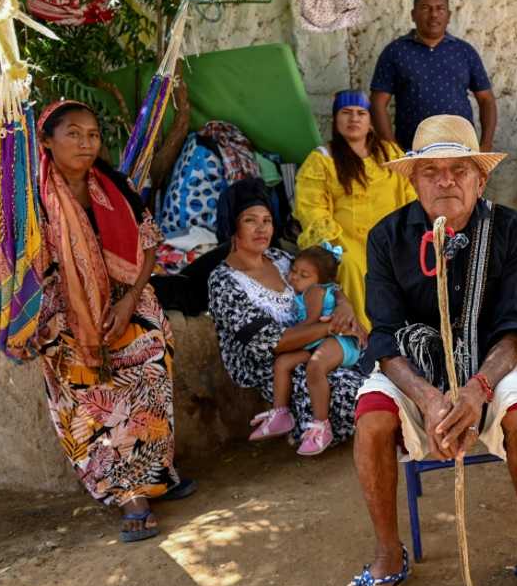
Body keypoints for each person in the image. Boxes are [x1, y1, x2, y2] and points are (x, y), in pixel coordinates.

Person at [342, 115, 517, 586]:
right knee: (372, 419)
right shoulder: (386, 238)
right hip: (413, 372)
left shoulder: (512, 230)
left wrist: (479, 388)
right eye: (431, 170)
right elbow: (384, 336)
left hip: (489, 367)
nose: (445, 180)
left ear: (479, 179)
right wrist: (426, 396)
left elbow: (515, 329)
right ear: (413, 180)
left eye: (458, 170)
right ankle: (388, 555)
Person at [34, 100, 195, 544]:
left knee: (153, 363)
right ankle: (130, 497)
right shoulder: (32, 201)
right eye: (74, 134)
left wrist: (127, 305)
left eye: (92, 135)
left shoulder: (114, 184)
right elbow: (28, 269)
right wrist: (75, 310)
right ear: (46, 140)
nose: (86, 143)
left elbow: (147, 246)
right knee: (93, 394)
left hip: (128, 299)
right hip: (68, 316)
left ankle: (158, 473)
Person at [208, 179, 367, 447]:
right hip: (274, 364)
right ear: (232, 226)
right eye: (250, 220)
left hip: (316, 344)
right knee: (347, 389)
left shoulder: (282, 260)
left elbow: (325, 286)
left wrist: (344, 306)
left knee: (378, 371)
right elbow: (271, 343)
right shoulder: (224, 281)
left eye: (267, 220)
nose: (262, 229)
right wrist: (332, 327)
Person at [294, 90, 416, 330]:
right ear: (335, 119)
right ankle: (368, 339)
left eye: (361, 113)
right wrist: (334, 243)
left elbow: (411, 192)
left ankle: (408, 339)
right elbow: (312, 208)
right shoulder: (322, 159)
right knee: (351, 265)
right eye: (346, 113)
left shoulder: (390, 153)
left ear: (370, 121)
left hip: (390, 238)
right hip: (346, 242)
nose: (354, 119)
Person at [261, 243, 365, 456]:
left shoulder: (314, 291)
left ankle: (321, 424)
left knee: (315, 367)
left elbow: (310, 322)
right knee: (283, 363)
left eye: (304, 274)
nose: (295, 277)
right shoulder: (312, 291)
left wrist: (285, 338)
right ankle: (280, 413)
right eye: (294, 271)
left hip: (339, 339)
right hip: (319, 339)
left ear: (321, 279)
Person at [369, 0, 496, 151]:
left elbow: (486, 99)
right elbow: (377, 103)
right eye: (425, 8)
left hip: (461, 150)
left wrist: (486, 144)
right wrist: (391, 148)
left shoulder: (464, 51)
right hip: (413, 152)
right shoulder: (395, 52)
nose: (434, 14)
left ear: (449, 16)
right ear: (413, 15)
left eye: (440, 9)